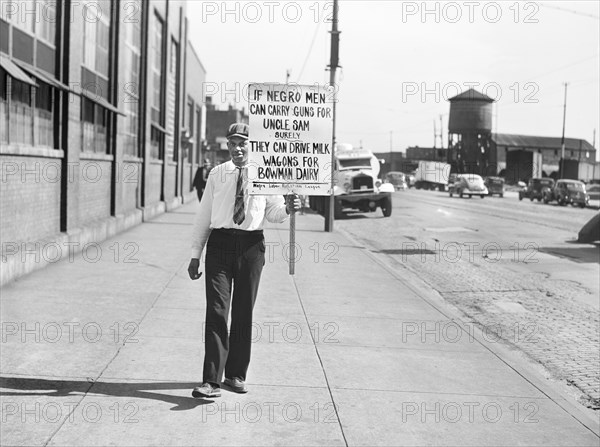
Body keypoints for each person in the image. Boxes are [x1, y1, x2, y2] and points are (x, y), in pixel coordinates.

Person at [188, 123, 301, 398]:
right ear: (227, 146)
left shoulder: (266, 174)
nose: (238, 148)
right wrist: (195, 254)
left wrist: (287, 207)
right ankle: (210, 381)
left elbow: (272, 212)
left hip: (251, 247)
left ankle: (235, 375)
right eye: (232, 143)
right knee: (216, 310)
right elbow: (204, 216)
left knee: (242, 313)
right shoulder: (217, 174)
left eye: (243, 143)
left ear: (252, 145)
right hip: (220, 245)